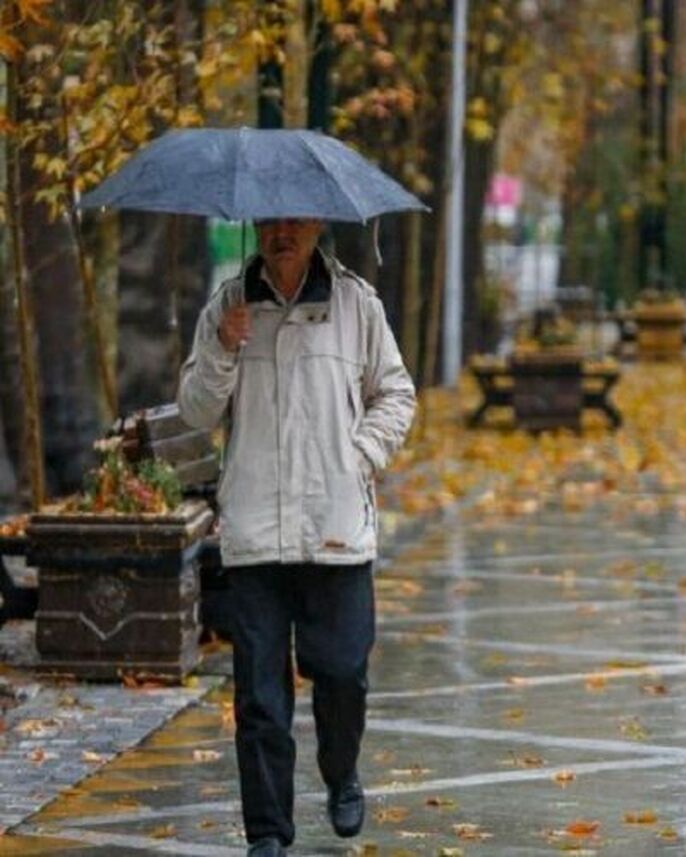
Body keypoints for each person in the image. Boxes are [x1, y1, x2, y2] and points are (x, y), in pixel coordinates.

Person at [178, 218, 416, 857]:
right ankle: (268, 835)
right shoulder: (227, 305)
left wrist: (359, 456)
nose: (283, 233)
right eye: (272, 221)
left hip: (334, 528)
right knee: (259, 697)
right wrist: (223, 349)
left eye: (296, 221)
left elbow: (396, 393)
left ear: (316, 227)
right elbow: (197, 411)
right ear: (257, 226)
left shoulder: (355, 303)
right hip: (255, 532)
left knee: (342, 672)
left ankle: (341, 771)